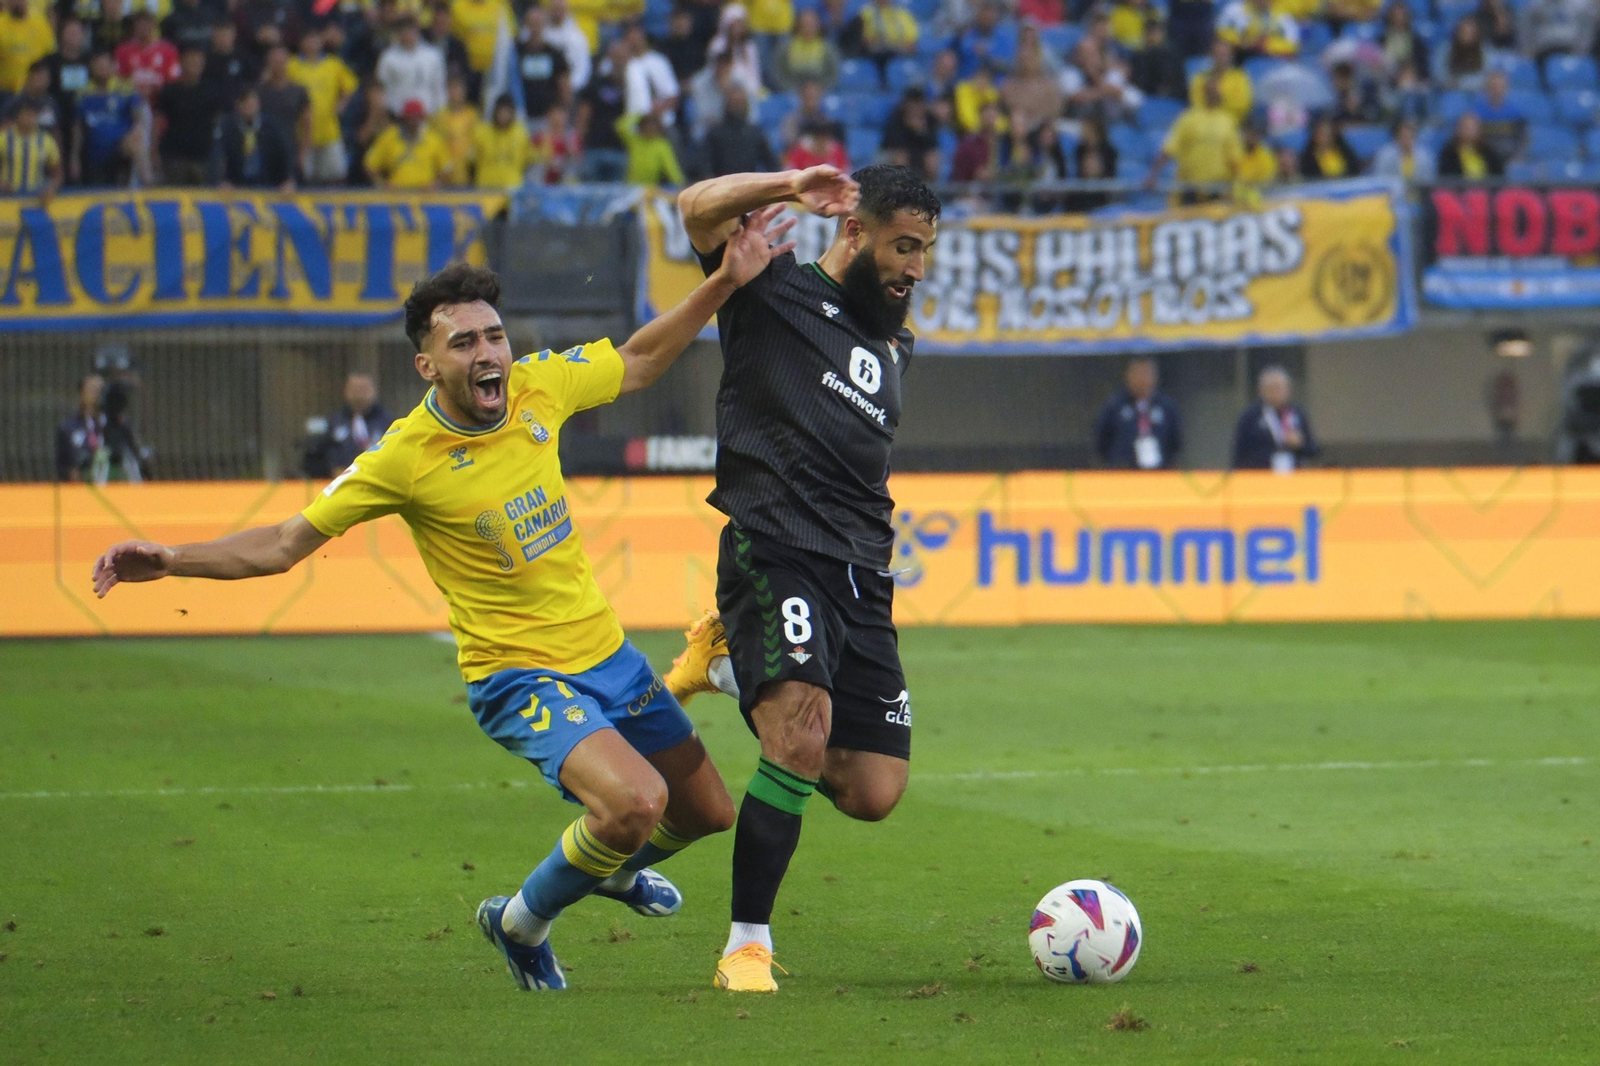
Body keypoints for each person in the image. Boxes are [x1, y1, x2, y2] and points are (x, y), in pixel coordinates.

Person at [91, 214, 798, 993]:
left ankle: (600, 872)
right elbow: (286, 542)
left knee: (706, 812)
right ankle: (521, 922)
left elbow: (636, 361)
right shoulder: (404, 457)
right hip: (516, 674)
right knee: (635, 803)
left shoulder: (537, 387)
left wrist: (727, 280)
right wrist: (171, 558)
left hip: (605, 654)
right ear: (427, 366)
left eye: (493, 336)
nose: (488, 353)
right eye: (463, 344)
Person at [674, 163, 938, 992]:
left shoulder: (892, 338)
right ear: (855, 232)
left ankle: (726, 665)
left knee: (871, 789)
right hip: (774, 543)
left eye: (926, 251)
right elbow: (694, 208)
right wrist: (788, 185)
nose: (916, 269)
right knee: (800, 731)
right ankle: (745, 946)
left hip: (864, 573)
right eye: (903, 247)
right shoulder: (770, 289)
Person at [1148, 75, 1240, 203]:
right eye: (1210, 90)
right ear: (1203, 93)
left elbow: (1234, 158)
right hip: (1191, 190)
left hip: (1217, 189)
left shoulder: (1227, 121)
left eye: (1215, 91)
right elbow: (1169, 148)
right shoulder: (1189, 119)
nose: (1213, 94)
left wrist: (1238, 187)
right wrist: (1153, 175)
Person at [288, 27, 358, 184]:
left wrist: (342, 103)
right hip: (302, 133)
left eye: (315, 39)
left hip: (329, 130)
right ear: (301, 43)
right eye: (308, 39)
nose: (312, 43)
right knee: (305, 176)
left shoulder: (333, 64)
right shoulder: (292, 66)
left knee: (336, 173)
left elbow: (351, 85)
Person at [1093, 357, 1182, 470]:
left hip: (1159, 474)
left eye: (1146, 374)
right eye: (1137, 374)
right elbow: (1101, 440)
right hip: (1124, 474)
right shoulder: (1114, 406)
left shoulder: (1166, 407)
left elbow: (1175, 441)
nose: (1142, 379)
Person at [74, 50, 147, 186]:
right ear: (91, 68)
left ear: (113, 66)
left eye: (105, 65)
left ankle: (147, 183)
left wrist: (137, 128)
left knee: (136, 140)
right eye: (98, 66)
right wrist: (74, 158)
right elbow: (78, 128)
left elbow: (139, 115)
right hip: (94, 155)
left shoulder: (125, 89)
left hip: (119, 151)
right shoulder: (83, 93)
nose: (102, 69)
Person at [302, 371, 393, 478]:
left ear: (374, 390)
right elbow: (314, 458)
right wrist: (331, 469)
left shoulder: (388, 423)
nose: (359, 395)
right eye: (355, 389)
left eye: (363, 389)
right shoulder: (333, 423)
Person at [155, 46, 225, 185]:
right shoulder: (170, 90)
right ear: (181, 63)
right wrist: (154, 152)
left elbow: (219, 122)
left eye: (198, 62)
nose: (195, 65)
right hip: (174, 156)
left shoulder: (213, 91)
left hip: (203, 156)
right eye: (191, 61)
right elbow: (158, 121)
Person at [1232, 366, 1318, 472]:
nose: (1276, 392)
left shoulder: (1297, 413)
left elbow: (1313, 450)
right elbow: (1239, 456)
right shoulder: (1250, 417)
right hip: (1261, 478)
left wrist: (1300, 444)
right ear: (1261, 390)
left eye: (1280, 388)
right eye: (1271, 388)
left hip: (1294, 478)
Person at [213, 85, 295, 188]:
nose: (250, 107)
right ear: (238, 106)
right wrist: (222, 180)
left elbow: (284, 153)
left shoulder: (271, 127)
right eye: (246, 103)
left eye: (252, 103)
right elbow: (219, 154)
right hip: (236, 185)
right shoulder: (228, 127)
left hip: (267, 183)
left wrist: (287, 179)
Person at [365, 97, 453, 187]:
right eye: (410, 117)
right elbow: (370, 164)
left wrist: (435, 185)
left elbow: (447, 168)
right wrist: (382, 185)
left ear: (422, 118)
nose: (413, 121)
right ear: (404, 118)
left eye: (416, 117)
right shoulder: (389, 137)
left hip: (425, 196)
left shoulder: (433, 139)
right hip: (396, 195)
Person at [378, 14, 448, 116]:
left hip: (428, 114)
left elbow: (439, 87)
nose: (407, 34)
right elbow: (382, 87)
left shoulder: (433, 55)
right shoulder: (389, 58)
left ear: (417, 30)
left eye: (410, 29)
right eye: (404, 30)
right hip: (398, 114)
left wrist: (440, 112)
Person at [703, 84, 776, 177]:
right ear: (727, 104)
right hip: (722, 185)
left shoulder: (755, 133)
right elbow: (705, 167)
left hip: (748, 185)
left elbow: (772, 164)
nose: (738, 106)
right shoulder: (714, 134)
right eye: (734, 102)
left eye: (741, 102)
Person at [0, 97, 64, 199]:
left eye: (32, 114)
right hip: (6, 197)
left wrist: (51, 189)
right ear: (17, 116)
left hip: (36, 198)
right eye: (25, 114)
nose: (29, 118)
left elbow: (57, 173)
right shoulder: (4, 138)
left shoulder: (47, 141)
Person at [516, 6, 570, 122]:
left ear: (544, 25)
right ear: (526, 25)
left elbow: (563, 83)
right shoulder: (517, 51)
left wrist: (562, 109)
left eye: (538, 23)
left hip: (547, 115)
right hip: (521, 114)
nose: (535, 28)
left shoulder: (554, 53)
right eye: (532, 23)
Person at [471, 92, 534, 187]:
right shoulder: (481, 133)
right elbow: (472, 161)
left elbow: (528, 159)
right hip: (486, 189)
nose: (504, 115)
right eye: (501, 112)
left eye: (507, 112)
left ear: (513, 113)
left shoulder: (521, 133)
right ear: (495, 112)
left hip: (512, 189)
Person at [772, 8, 840, 92]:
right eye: (804, 25)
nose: (808, 28)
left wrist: (817, 91)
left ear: (818, 26)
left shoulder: (827, 49)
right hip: (791, 92)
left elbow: (833, 75)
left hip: (820, 93)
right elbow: (778, 73)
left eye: (811, 25)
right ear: (798, 26)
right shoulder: (785, 48)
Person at [114, 10, 179, 98]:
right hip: (132, 101)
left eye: (147, 24)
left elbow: (173, 81)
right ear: (134, 27)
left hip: (161, 100)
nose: (143, 27)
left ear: (154, 25)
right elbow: (119, 79)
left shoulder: (168, 51)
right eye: (140, 24)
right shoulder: (123, 50)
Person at [880, 88, 941, 181]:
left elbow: (933, 144)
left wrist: (920, 132)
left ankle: (929, 189)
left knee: (932, 160)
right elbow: (892, 143)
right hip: (894, 154)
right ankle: (901, 188)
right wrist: (909, 128)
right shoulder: (896, 117)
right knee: (900, 158)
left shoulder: (929, 119)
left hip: (920, 153)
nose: (915, 108)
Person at [56, 374, 106, 483]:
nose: (97, 394)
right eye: (92, 389)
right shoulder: (68, 428)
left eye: (101, 390)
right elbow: (62, 465)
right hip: (80, 490)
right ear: (82, 394)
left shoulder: (114, 425)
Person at [1470, 68, 1527, 162]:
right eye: (1493, 86)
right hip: (1484, 161)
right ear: (1486, 88)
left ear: (1506, 88)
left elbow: (1523, 141)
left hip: (1509, 160)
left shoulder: (1516, 114)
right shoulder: (1476, 114)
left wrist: (1516, 159)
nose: (1497, 90)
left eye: (1500, 86)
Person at [1, 0, 56, 95]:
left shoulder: (41, 24)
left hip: (36, 92)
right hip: (6, 92)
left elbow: (51, 57)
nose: (17, 2)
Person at [618, 109, 685, 185]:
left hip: (650, 188)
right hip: (630, 186)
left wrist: (679, 183)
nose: (650, 129)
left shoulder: (661, 145)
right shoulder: (634, 141)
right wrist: (641, 115)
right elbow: (621, 126)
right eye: (647, 126)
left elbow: (671, 167)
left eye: (653, 127)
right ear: (641, 127)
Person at [1189, 38, 1250, 122]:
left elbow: (1243, 106)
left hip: (1232, 125)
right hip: (1204, 125)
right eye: (1217, 54)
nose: (1220, 58)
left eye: (1224, 54)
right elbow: (1196, 106)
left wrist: (1221, 97)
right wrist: (1208, 99)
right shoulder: (1200, 79)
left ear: (1231, 55)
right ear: (1211, 55)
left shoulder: (1239, 78)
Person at [1215, 0, 1300, 61]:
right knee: (1223, 47)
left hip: (1270, 59)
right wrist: (1241, 41)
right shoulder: (1234, 10)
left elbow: (1293, 44)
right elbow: (1221, 32)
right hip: (1238, 56)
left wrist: (1266, 44)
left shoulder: (1283, 16)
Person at [1130, 16, 1186, 101]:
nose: (1153, 36)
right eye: (1150, 33)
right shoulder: (1139, 57)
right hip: (1148, 96)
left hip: (1174, 96)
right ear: (1144, 34)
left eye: (1156, 32)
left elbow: (1180, 80)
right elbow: (1139, 83)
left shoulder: (1173, 55)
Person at [1438, 111, 1504, 178]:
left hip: (1486, 188)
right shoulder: (1449, 153)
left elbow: (1498, 176)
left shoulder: (1489, 152)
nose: (1470, 131)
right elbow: (1447, 178)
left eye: (1473, 127)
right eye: (1466, 127)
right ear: (1458, 129)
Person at [1371, 117, 1436, 182]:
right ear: (1396, 137)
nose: (1407, 140)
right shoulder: (1385, 155)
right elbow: (1380, 178)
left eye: (1411, 136)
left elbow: (1429, 179)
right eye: (1404, 136)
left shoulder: (1425, 156)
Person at [1298, 115, 1359, 179]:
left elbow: (1354, 169)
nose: (1325, 137)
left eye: (1328, 133)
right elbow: (1310, 176)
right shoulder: (1308, 158)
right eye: (1321, 133)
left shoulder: (1343, 150)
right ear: (1314, 136)